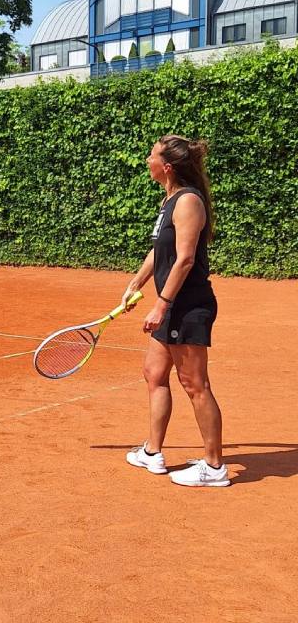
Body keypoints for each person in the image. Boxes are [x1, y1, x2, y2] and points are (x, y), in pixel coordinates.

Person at [121, 135, 228, 487]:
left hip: (188, 305)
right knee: (154, 373)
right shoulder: (169, 200)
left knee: (195, 384)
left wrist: (160, 305)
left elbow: (184, 259)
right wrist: (136, 283)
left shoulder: (187, 202)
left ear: (166, 166)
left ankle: (214, 468)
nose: (146, 160)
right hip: (172, 304)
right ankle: (153, 452)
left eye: (151, 155)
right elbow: (160, 251)